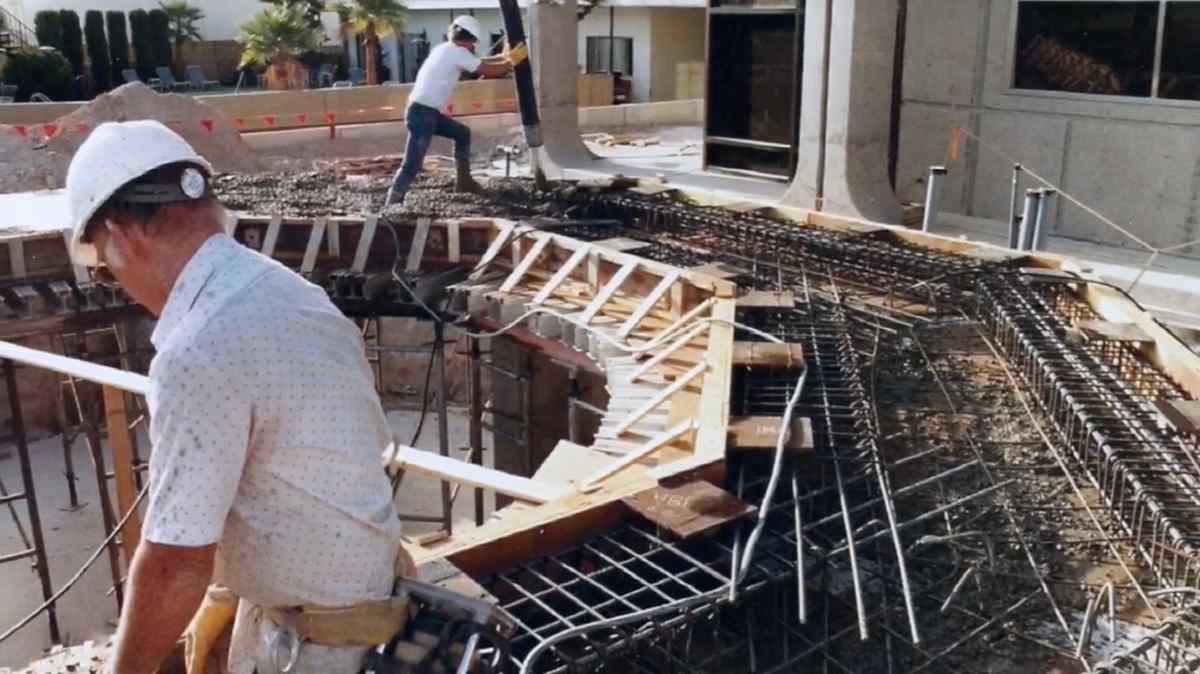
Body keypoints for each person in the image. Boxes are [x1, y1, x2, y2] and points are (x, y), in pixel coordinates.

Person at [65, 120, 413, 674]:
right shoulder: (293, 292)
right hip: (371, 612)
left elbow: (176, 562)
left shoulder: (199, 347)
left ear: (122, 234)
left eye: (108, 269)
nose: (121, 284)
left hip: (319, 648)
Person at [384, 15, 528, 207]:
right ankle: (392, 202)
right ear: (469, 40)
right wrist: (513, 61)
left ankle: (464, 182)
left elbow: (480, 61)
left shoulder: (445, 49)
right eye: (473, 43)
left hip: (426, 113)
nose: (473, 48)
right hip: (423, 115)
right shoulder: (457, 53)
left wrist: (504, 57)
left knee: (462, 134)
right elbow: (489, 69)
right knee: (412, 164)